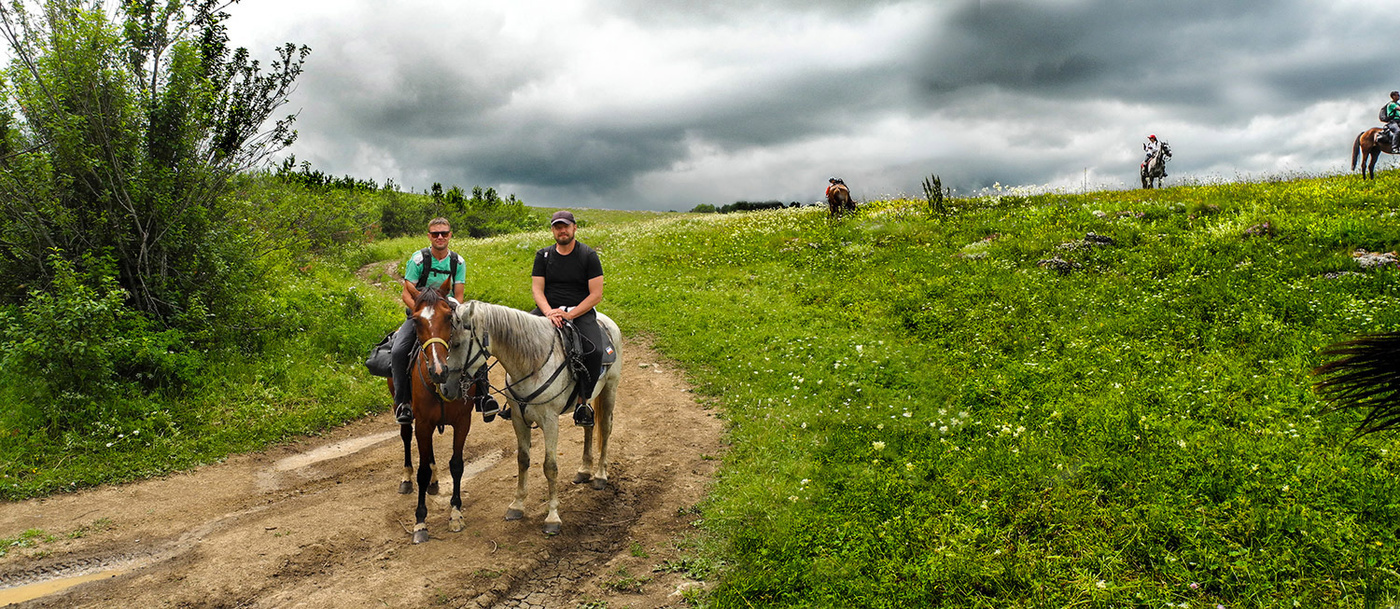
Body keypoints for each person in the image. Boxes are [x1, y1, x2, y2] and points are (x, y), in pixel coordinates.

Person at [389, 217, 499, 424]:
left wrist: (447, 314)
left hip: (446, 313)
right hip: (421, 315)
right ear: (429, 236)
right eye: (435, 233)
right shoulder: (418, 260)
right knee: (398, 351)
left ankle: (484, 397)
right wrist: (423, 316)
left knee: (474, 346)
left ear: (450, 235)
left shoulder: (458, 262)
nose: (440, 237)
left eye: (444, 233)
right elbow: (406, 292)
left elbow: (458, 295)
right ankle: (403, 401)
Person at [524, 210, 605, 427]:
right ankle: (517, 398)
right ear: (552, 230)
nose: (562, 230)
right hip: (548, 310)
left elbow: (596, 294)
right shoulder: (543, 256)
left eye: (566, 226)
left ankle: (583, 402)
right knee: (518, 339)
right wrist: (549, 312)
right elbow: (537, 290)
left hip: (579, 311)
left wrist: (570, 314)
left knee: (594, 351)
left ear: (574, 228)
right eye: (557, 227)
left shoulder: (588, 256)